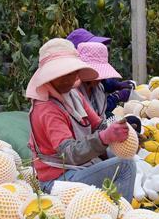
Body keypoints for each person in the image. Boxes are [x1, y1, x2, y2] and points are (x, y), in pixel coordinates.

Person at [26, 38, 136, 199]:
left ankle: (109, 208)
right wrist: (105, 137)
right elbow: (69, 154)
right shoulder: (47, 108)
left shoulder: (73, 95)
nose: (69, 79)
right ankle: (123, 218)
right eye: (62, 74)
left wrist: (123, 135)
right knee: (125, 166)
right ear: (49, 76)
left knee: (123, 157)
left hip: (78, 169)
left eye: (72, 73)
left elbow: (98, 125)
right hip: (58, 181)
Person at [76, 41, 134, 117]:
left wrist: (117, 85)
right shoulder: (75, 93)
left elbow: (100, 115)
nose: (101, 79)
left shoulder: (98, 88)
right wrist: (116, 97)